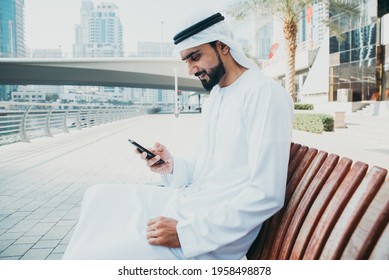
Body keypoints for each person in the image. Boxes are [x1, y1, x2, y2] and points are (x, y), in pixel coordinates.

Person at [62, 10, 293, 260]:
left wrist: (186, 234)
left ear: (223, 46)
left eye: (195, 57)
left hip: (210, 237)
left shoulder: (263, 93)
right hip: (191, 206)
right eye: (186, 60)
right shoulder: (218, 95)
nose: (191, 69)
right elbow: (204, 165)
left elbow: (266, 193)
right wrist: (171, 166)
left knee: (92, 257)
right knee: (97, 196)